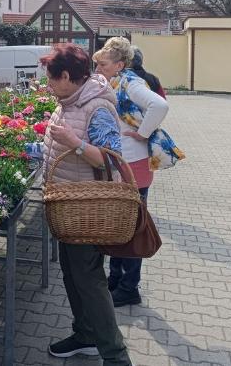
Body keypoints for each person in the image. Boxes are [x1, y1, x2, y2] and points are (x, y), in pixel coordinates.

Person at [41, 43, 132, 364]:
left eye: (51, 79)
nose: (48, 85)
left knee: (90, 282)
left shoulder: (97, 107)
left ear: (67, 76)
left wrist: (75, 143)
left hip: (87, 209)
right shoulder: (68, 101)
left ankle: (116, 356)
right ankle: (86, 335)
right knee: (72, 274)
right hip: (68, 208)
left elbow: (111, 161)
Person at [93, 37, 169, 308]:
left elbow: (160, 105)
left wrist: (142, 133)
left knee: (132, 227)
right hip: (126, 164)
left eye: (103, 64)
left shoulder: (130, 82)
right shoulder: (117, 81)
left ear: (119, 64)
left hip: (133, 165)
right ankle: (116, 279)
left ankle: (129, 287)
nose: (98, 68)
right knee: (120, 224)